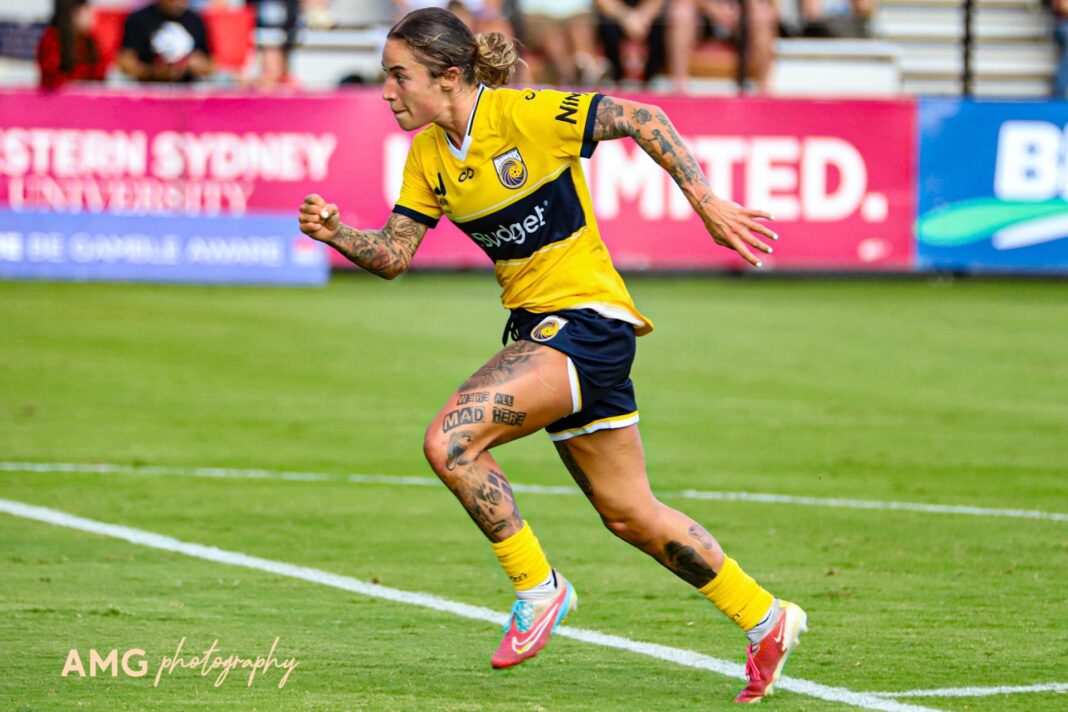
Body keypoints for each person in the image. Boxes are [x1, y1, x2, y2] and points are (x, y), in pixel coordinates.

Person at [298, 7, 805, 703]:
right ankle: (766, 617)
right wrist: (336, 233)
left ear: (449, 77)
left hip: (586, 324)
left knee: (450, 443)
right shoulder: (427, 157)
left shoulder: (525, 114)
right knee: (631, 514)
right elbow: (393, 256)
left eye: (399, 76)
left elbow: (643, 118)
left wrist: (707, 201)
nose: (387, 91)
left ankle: (540, 589)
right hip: (545, 334)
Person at [668, 0, 779, 93]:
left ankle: (764, 87)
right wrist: (713, 9)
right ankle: (680, 85)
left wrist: (745, 9)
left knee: (762, 16)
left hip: (740, 15)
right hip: (704, 16)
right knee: (681, 12)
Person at [118, 0, 214, 82]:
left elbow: (211, 65)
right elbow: (125, 62)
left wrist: (194, 65)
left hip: (188, 90)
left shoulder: (196, 21)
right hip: (147, 89)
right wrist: (153, 72)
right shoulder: (138, 19)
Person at [36, 0, 107, 90]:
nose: (93, 16)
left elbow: (98, 76)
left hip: (85, 100)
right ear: (74, 14)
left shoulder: (89, 41)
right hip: (58, 100)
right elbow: (51, 80)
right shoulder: (52, 40)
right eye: (88, 10)